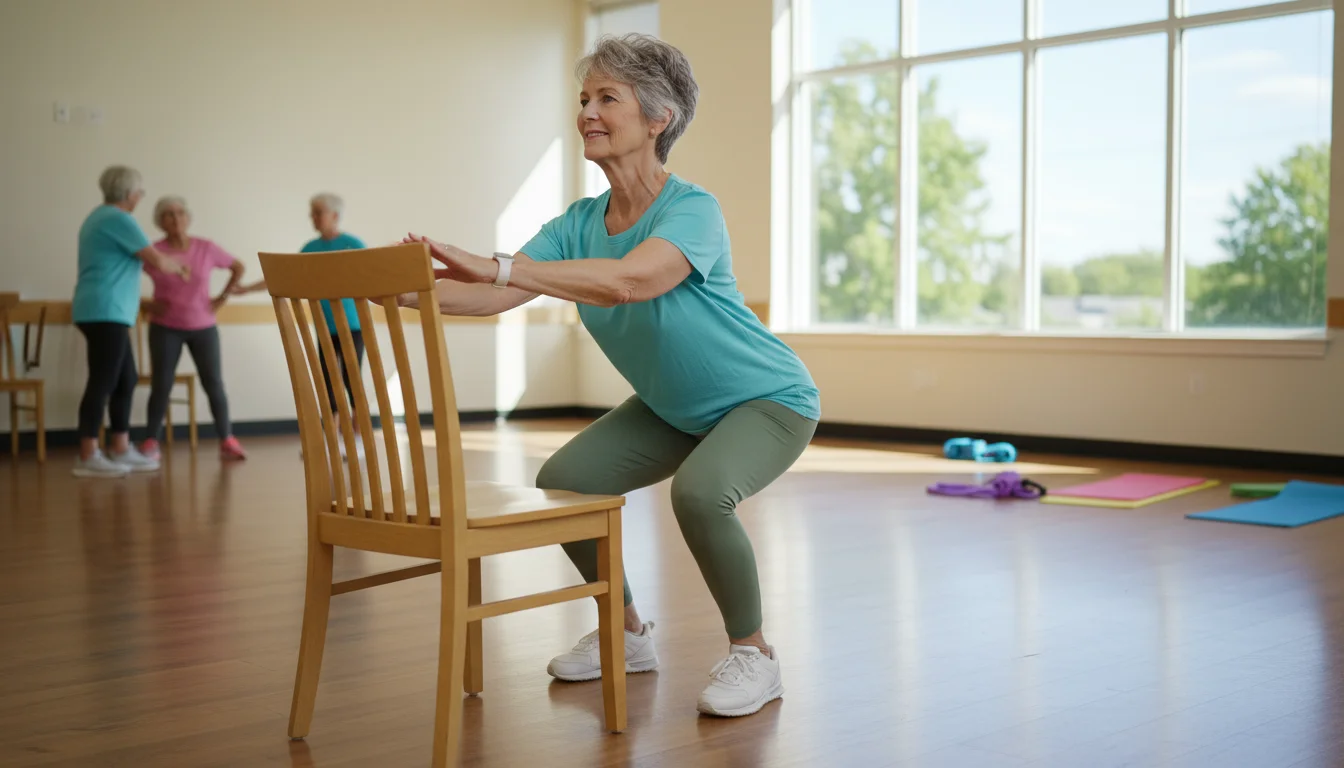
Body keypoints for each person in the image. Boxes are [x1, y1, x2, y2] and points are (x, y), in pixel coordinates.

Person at [398, 33, 820, 718]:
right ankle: (625, 636)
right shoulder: (577, 225)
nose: (587, 111)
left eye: (607, 98)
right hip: (671, 407)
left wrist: (498, 264)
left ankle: (754, 654)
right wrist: (389, 290)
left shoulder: (692, 209)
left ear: (659, 118)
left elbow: (631, 280)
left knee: (701, 493)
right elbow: (490, 294)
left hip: (767, 399)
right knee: (567, 482)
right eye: (584, 98)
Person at [71, 165, 189, 478]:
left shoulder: (99, 217)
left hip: (106, 310)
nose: (139, 198)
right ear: (130, 194)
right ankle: (87, 454)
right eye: (139, 193)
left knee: (126, 378)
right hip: (104, 310)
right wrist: (181, 268)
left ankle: (121, 447)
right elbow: (158, 260)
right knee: (103, 381)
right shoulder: (118, 219)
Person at [236, 193, 366, 450]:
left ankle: (359, 439)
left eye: (318, 212)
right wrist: (247, 289)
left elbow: (371, 274)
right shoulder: (310, 249)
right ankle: (332, 440)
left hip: (352, 326)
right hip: (324, 328)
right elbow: (284, 277)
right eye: (312, 212)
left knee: (352, 381)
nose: (313, 218)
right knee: (328, 382)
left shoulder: (353, 244)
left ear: (335, 216)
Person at [139, 195, 249, 462]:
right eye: (168, 214)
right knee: (161, 384)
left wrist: (222, 298)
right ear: (160, 221)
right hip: (165, 328)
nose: (175, 218)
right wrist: (147, 305)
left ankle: (227, 439)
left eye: (180, 213)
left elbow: (238, 266)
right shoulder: (154, 251)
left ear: (188, 218)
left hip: (203, 327)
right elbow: (124, 278)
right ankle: (150, 441)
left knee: (214, 383)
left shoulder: (205, 247)